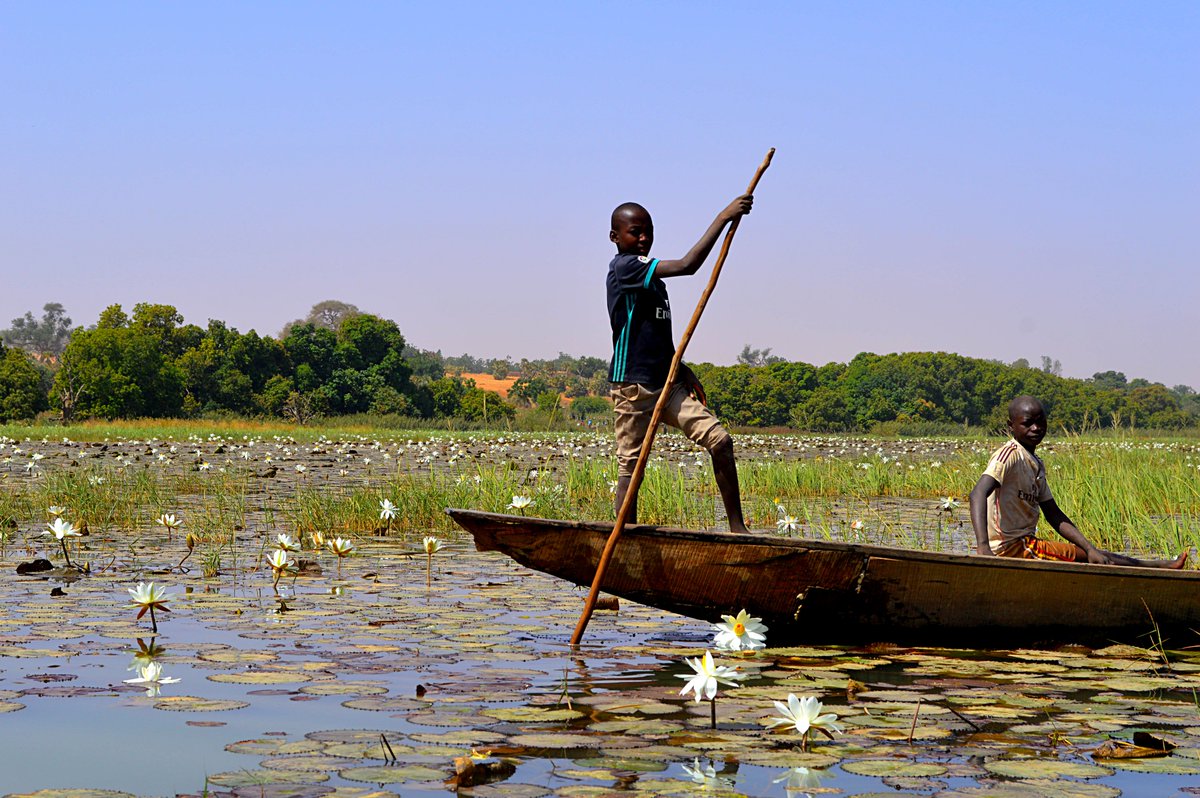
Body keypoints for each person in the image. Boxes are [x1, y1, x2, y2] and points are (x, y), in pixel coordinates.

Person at [606, 194, 752, 533]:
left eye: (648, 232)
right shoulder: (625, 268)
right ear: (615, 237)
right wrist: (723, 216)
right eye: (635, 232)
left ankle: (738, 529)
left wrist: (681, 369)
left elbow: (656, 333)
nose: (643, 238)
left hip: (666, 384)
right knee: (632, 467)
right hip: (634, 387)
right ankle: (624, 542)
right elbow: (688, 265)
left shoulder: (652, 279)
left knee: (721, 441)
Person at [969, 395, 1186, 568]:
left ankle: (1154, 564)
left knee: (1090, 553)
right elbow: (978, 493)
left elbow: (1054, 514)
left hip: (1025, 543)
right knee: (1088, 556)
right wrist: (983, 549)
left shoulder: (1035, 463)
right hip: (1010, 548)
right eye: (1027, 424)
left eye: (1040, 422)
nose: (1035, 428)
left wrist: (1089, 546)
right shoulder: (1009, 455)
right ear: (1011, 426)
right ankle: (1156, 566)